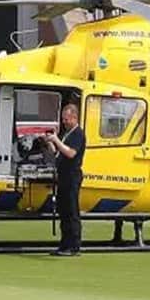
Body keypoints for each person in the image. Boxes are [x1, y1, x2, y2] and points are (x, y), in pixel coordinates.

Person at [47, 102, 86, 257]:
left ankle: (74, 245)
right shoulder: (67, 134)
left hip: (72, 175)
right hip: (63, 175)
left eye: (66, 119)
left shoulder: (78, 134)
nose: (64, 122)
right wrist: (51, 142)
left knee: (71, 210)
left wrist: (56, 141)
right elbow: (59, 154)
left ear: (74, 117)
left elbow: (71, 153)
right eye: (63, 119)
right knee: (63, 211)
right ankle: (64, 244)